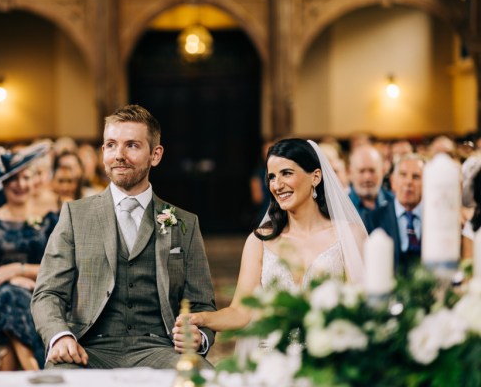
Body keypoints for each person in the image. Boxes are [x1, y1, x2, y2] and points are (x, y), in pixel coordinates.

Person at [31, 104, 216, 369]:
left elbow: (202, 303)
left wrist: (199, 336)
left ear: (155, 155)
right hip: (88, 348)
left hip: (161, 349)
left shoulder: (185, 223)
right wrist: (60, 336)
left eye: (132, 145)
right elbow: (47, 293)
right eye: (110, 145)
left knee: (204, 378)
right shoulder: (75, 215)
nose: (119, 155)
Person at [177, 138, 366, 332]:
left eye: (287, 173)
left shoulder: (348, 235)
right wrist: (201, 318)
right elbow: (240, 312)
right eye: (272, 177)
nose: (277, 185)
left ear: (315, 177)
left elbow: (362, 308)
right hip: (274, 355)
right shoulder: (259, 241)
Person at [0, 142, 56, 370]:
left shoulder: (49, 220)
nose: (20, 185)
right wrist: (9, 280)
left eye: (26, 178)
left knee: (6, 332)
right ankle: (33, 371)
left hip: (40, 292)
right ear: (3, 185)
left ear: (34, 180)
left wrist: (18, 270)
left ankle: (12, 377)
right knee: (9, 295)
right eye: (13, 180)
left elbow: (59, 268)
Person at [364, 154, 425, 275]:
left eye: (416, 177)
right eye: (403, 175)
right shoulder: (373, 219)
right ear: (393, 181)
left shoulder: (436, 218)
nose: (409, 182)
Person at [348, 144, 393, 221]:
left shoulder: (395, 202)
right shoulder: (340, 207)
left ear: (382, 171)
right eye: (361, 171)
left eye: (372, 170)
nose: (367, 177)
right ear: (351, 173)